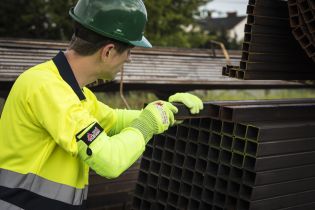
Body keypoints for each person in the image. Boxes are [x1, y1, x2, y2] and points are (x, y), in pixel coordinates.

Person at [0, 0, 203, 209]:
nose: (129, 60)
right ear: (108, 51)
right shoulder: (46, 88)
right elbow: (109, 160)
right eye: (129, 51)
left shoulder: (75, 93)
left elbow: (114, 120)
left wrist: (167, 110)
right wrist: (147, 124)